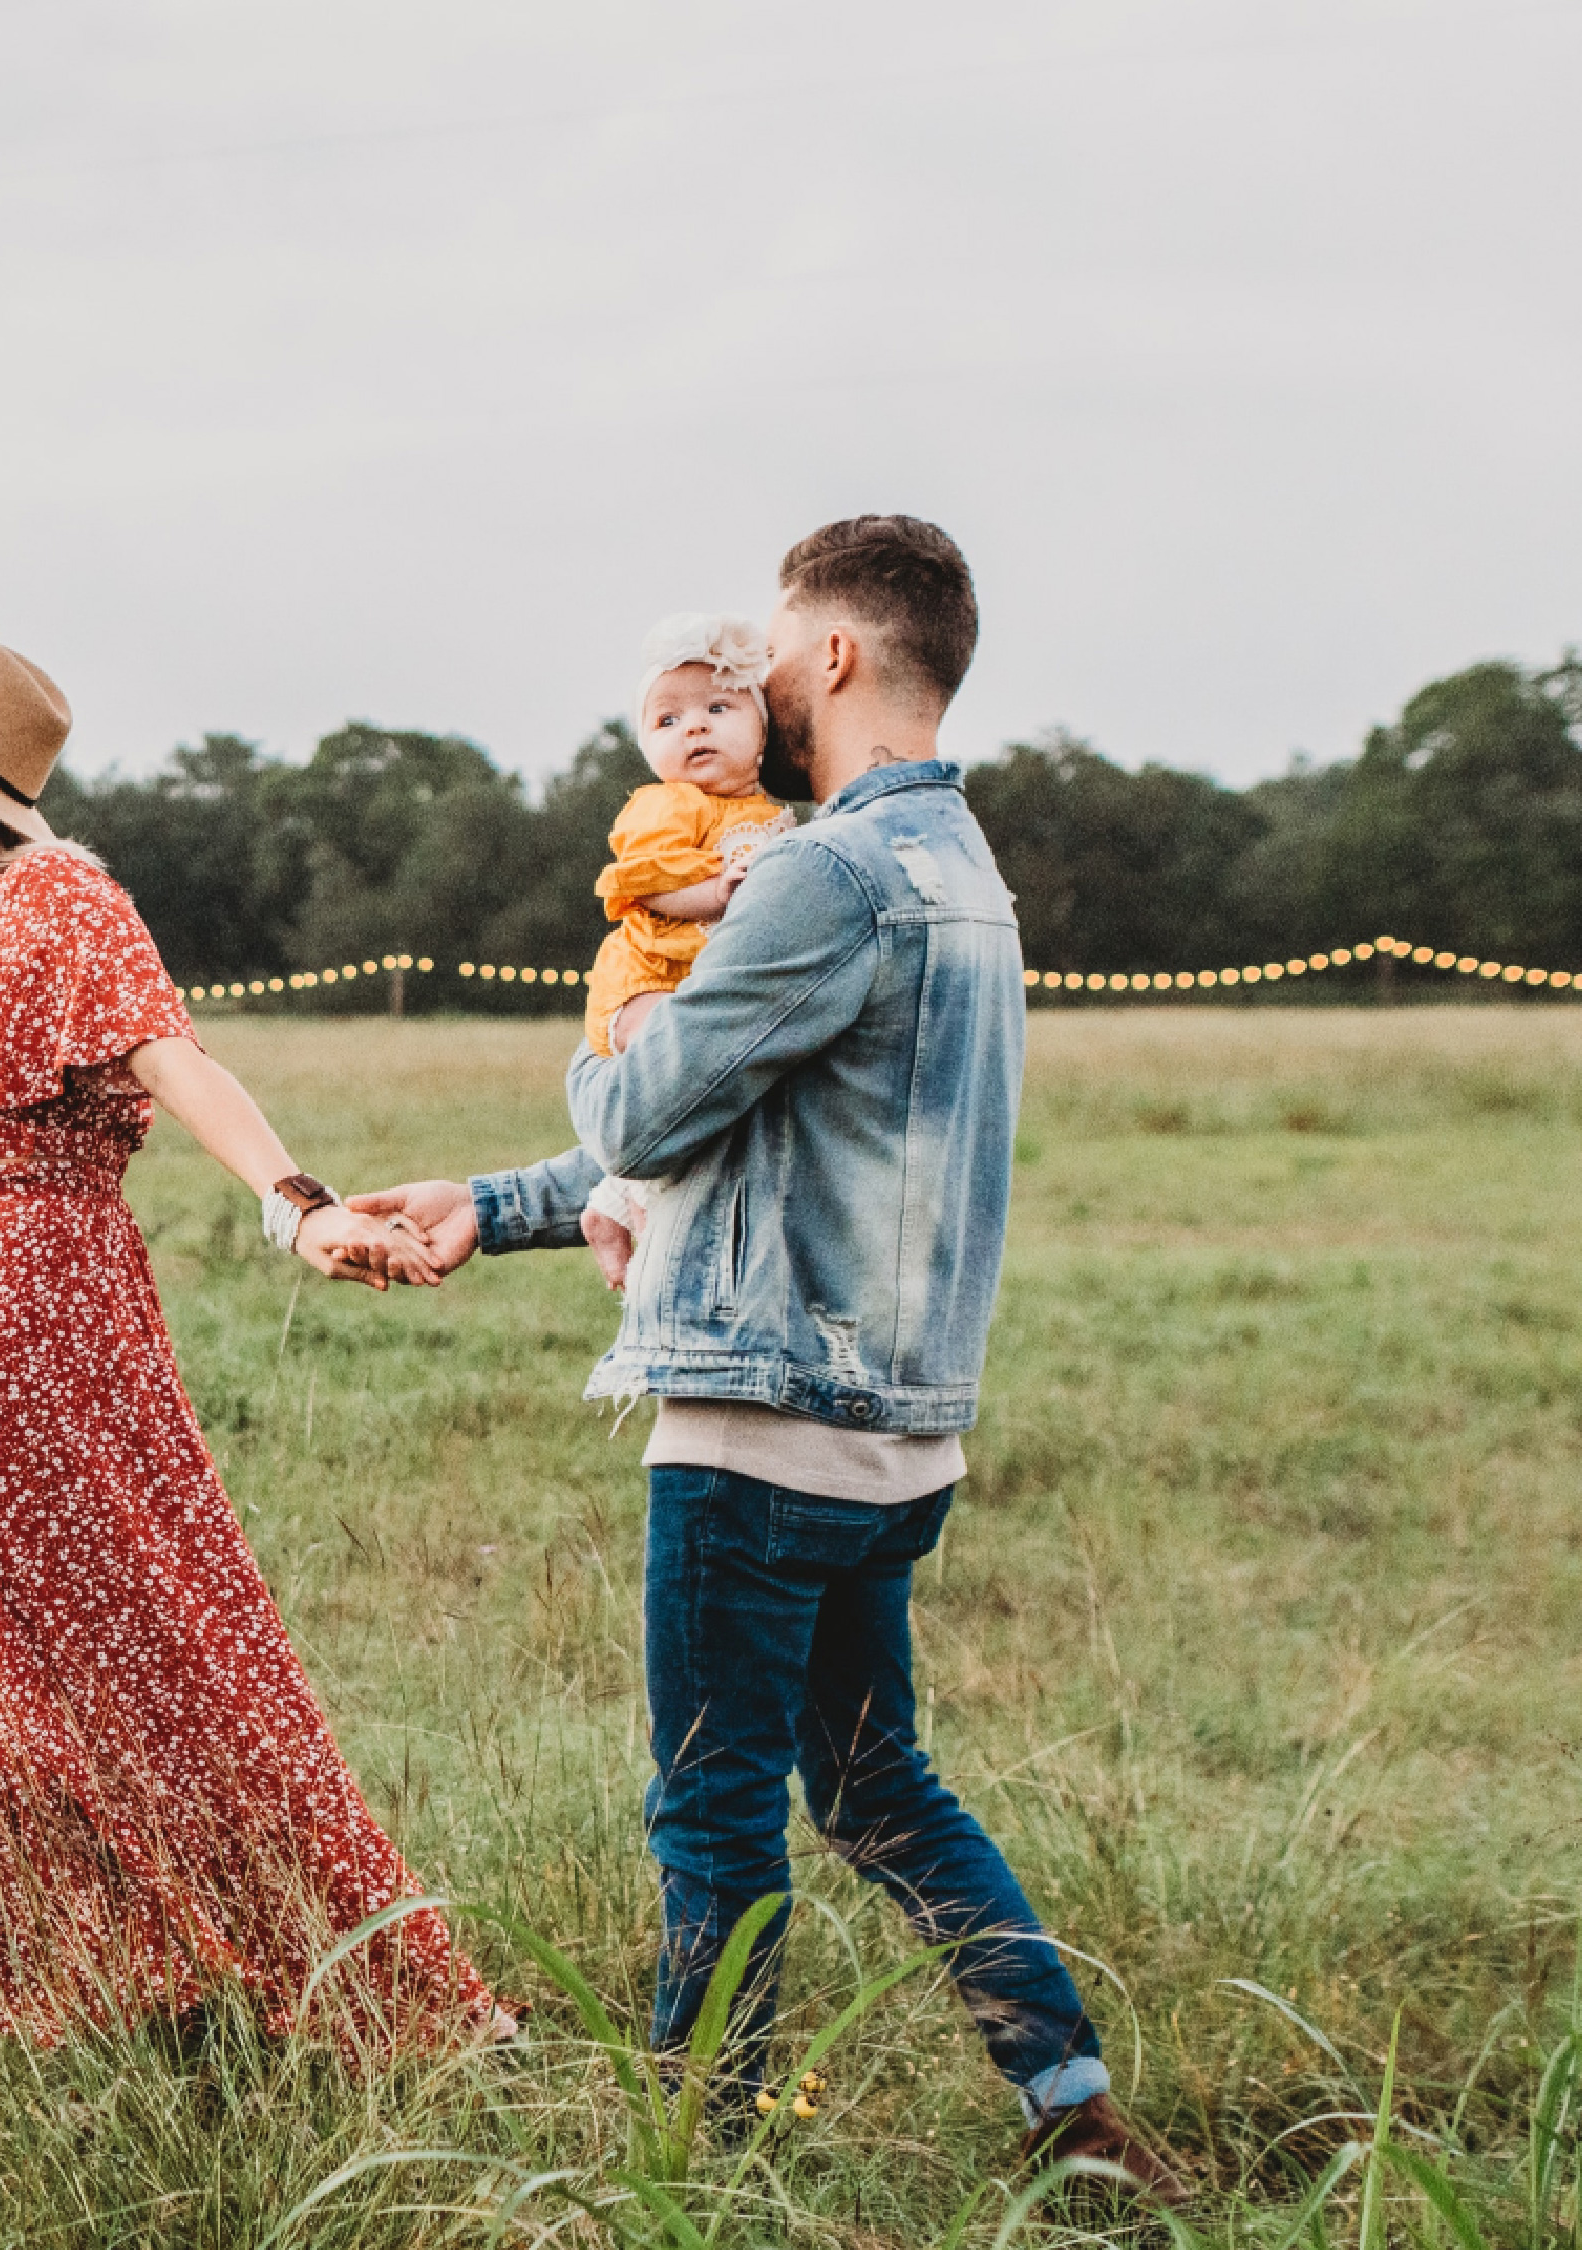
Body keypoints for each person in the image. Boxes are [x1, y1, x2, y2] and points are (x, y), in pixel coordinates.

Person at [354, 518, 1178, 2192]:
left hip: (757, 1430)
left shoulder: (820, 871)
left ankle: (700, 2165)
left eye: (781, 651)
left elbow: (657, 1104)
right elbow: (754, 1135)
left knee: (712, 1811)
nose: (760, 683)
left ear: (842, 658)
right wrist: (497, 1205)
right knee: (881, 1789)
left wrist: (624, 1035)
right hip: (899, 1441)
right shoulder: (964, 875)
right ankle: (1072, 2111)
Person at [0, 628, 501, 2042]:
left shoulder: (61, 894)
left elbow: (173, 1053)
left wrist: (297, 1204)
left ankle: (243, 1966)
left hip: (22, 1310)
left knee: (132, 1633)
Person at [577, 613, 795, 1290]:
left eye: (718, 708)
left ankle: (617, 1200)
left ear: (763, 730)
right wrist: (715, 893)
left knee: (709, 1085)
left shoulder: (773, 816)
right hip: (646, 978)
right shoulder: (668, 806)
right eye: (666, 720)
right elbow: (645, 883)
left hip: (699, 983)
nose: (693, 728)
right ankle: (628, 1201)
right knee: (671, 1067)